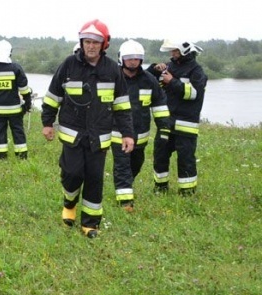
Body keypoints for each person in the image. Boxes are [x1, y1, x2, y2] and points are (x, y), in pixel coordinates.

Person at [41, 19, 134, 238]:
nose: (90, 46)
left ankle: (90, 224)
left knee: (94, 179)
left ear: (104, 45)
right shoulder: (68, 65)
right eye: (87, 42)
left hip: (99, 137)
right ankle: (69, 202)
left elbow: (122, 105)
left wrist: (127, 134)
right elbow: (53, 96)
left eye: (95, 42)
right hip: (72, 135)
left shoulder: (112, 69)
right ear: (81, 43)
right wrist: (47, 122)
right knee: (72, 174)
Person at [111, 40, 170, 210]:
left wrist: (164, 128)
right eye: (129, 58)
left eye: (136, 58)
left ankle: (126, 186)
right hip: (118, 133)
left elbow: (159, 105)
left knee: (136, 164)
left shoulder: (149, 80)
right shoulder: (113, 78)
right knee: (122, 165)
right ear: (121, 58)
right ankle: (125, 203)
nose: (133, 61)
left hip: (141, 134)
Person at [147, 40, 207, 195]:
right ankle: (160, 189)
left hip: (186, 124)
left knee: (186, 160)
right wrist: (155, 68)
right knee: (160, 155)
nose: (172, 54)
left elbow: (194, 94)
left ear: (185, 51)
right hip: (166, 123)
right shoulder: (169, 66)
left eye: (175, 51)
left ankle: (187, 193)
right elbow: (147, 79)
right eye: (171, 51)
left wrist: (172, 81)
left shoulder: (197, 71)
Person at [0, 40, 33, 160]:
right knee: (17, 131)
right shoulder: (16, 68)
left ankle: (1, 156)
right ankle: (21, 156)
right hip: (14, 109)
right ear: (10, 52)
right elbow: (24, 89)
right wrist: (27, 103)